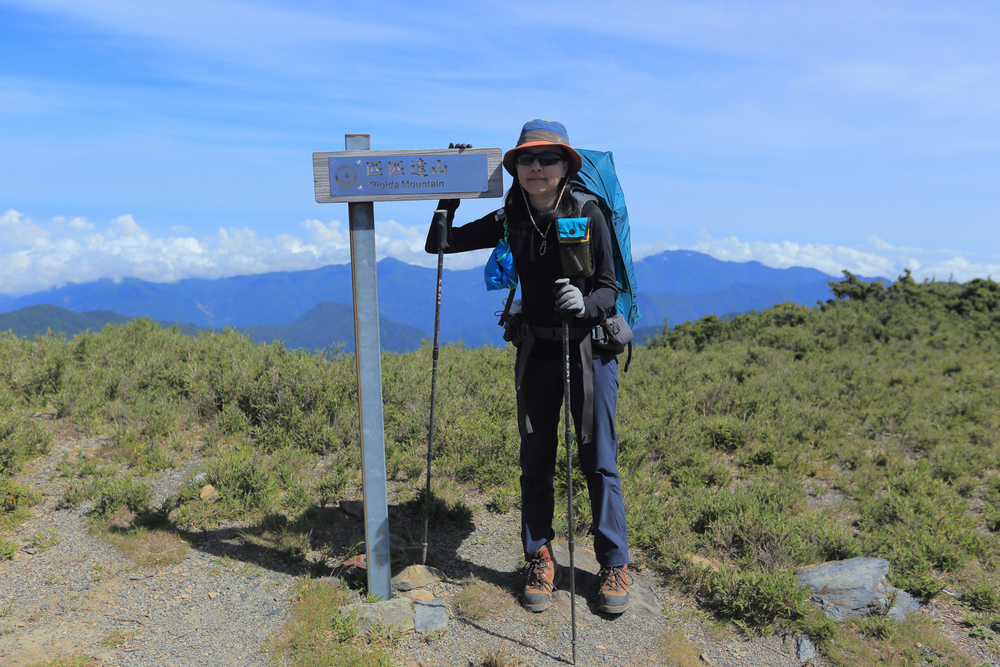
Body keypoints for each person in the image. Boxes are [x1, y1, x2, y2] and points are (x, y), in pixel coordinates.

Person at [425, 119, 630, 614]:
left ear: (565, 167)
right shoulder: (513, 212)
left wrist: (585, 305)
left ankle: (614, 563)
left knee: (597, 457)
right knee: (535, 457)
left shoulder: (588, 211)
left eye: (548, 159)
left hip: (588, 349)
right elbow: (442, 244)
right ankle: (539, 556)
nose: (536, 168)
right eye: (527, 160)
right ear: (516, 168)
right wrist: (445, 202)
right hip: (536, 348)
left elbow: (610, 286)